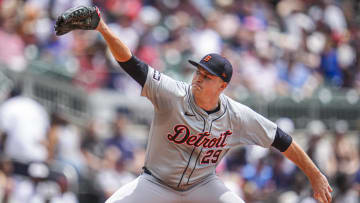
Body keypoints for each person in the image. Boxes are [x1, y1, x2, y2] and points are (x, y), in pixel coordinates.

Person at [55, 6, 333, 203]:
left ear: (222, 86)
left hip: (203, 184)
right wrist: (102, 27)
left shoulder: (236, 115)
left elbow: (282, 140)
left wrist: (315, 175)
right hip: (155, 183)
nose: (198, 78)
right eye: (198, 72)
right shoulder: (172, 93)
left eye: (206, 76)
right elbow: (131, 64)